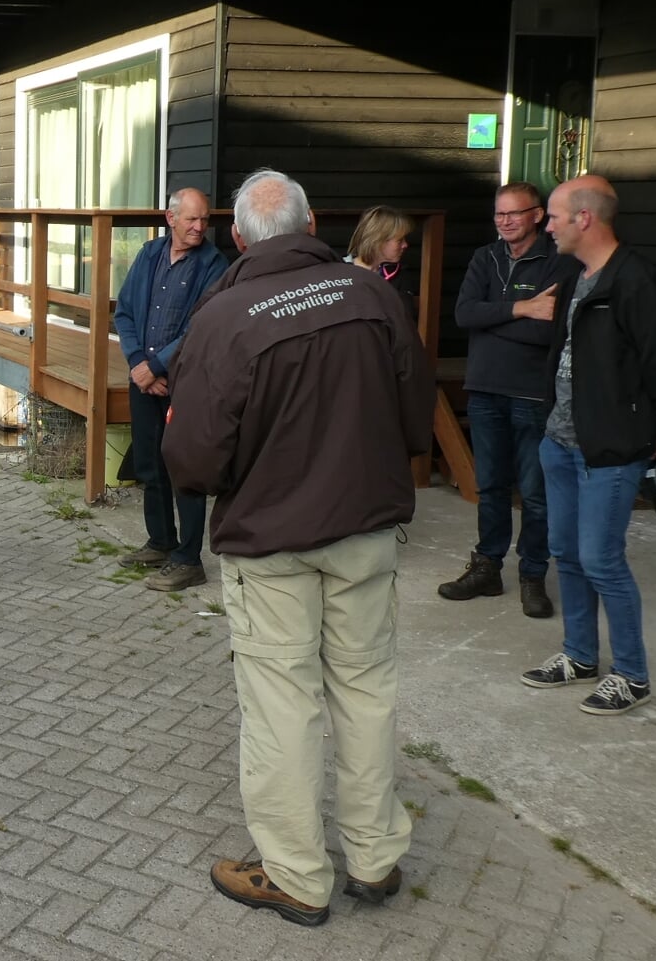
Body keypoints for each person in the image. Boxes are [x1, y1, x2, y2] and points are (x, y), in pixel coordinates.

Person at [163, 168, 433, 927]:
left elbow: (190, 457)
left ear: (239, 237)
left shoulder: (224, 317)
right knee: (364, 690)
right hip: (365, 532)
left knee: (282, 706)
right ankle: (375, 856)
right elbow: (418, 415)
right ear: (311, 221)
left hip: (271, 541)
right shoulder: (373, 295)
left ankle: (295, 873)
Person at [520, 174, 656, 716]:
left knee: (601, 559)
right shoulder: (574, 277)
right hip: (560, 443)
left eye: (552, 216)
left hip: (610, 450)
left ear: (584, 218)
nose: (546, 225)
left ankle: (632, 675)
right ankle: (579, 656)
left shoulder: (639, 282)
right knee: (566, 554)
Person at [439, 182, 574, 616]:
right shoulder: (486, 257)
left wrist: (493, 317)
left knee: (535, 493)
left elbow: (548, 329)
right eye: (499, 214)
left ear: (537, 215)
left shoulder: (558, 261)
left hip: (532, 393)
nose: (505, 221)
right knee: (491, 487)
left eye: (514, 214)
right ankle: (487, 568)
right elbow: (464, 314)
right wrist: (520, 308)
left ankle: (532, 574)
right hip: (484, 388)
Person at [111, 187, 229, 591]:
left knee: (184, 468)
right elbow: (124, 312)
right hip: (143, 378)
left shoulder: (214, 265)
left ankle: (188, 558)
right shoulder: (148, 255)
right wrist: (137, 364)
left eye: (204, 220)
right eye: (192, 219)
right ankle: (160, 541)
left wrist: (157, 367)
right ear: (171, 218)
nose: (199, 227)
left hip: (186, 384)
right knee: (149, 463)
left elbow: (201, 327)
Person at [345, 205, 416, 311]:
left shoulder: (400, 276)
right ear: (378, 240)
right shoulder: (340, 270)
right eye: (400, 240)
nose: (405, 245)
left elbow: (403, 319)